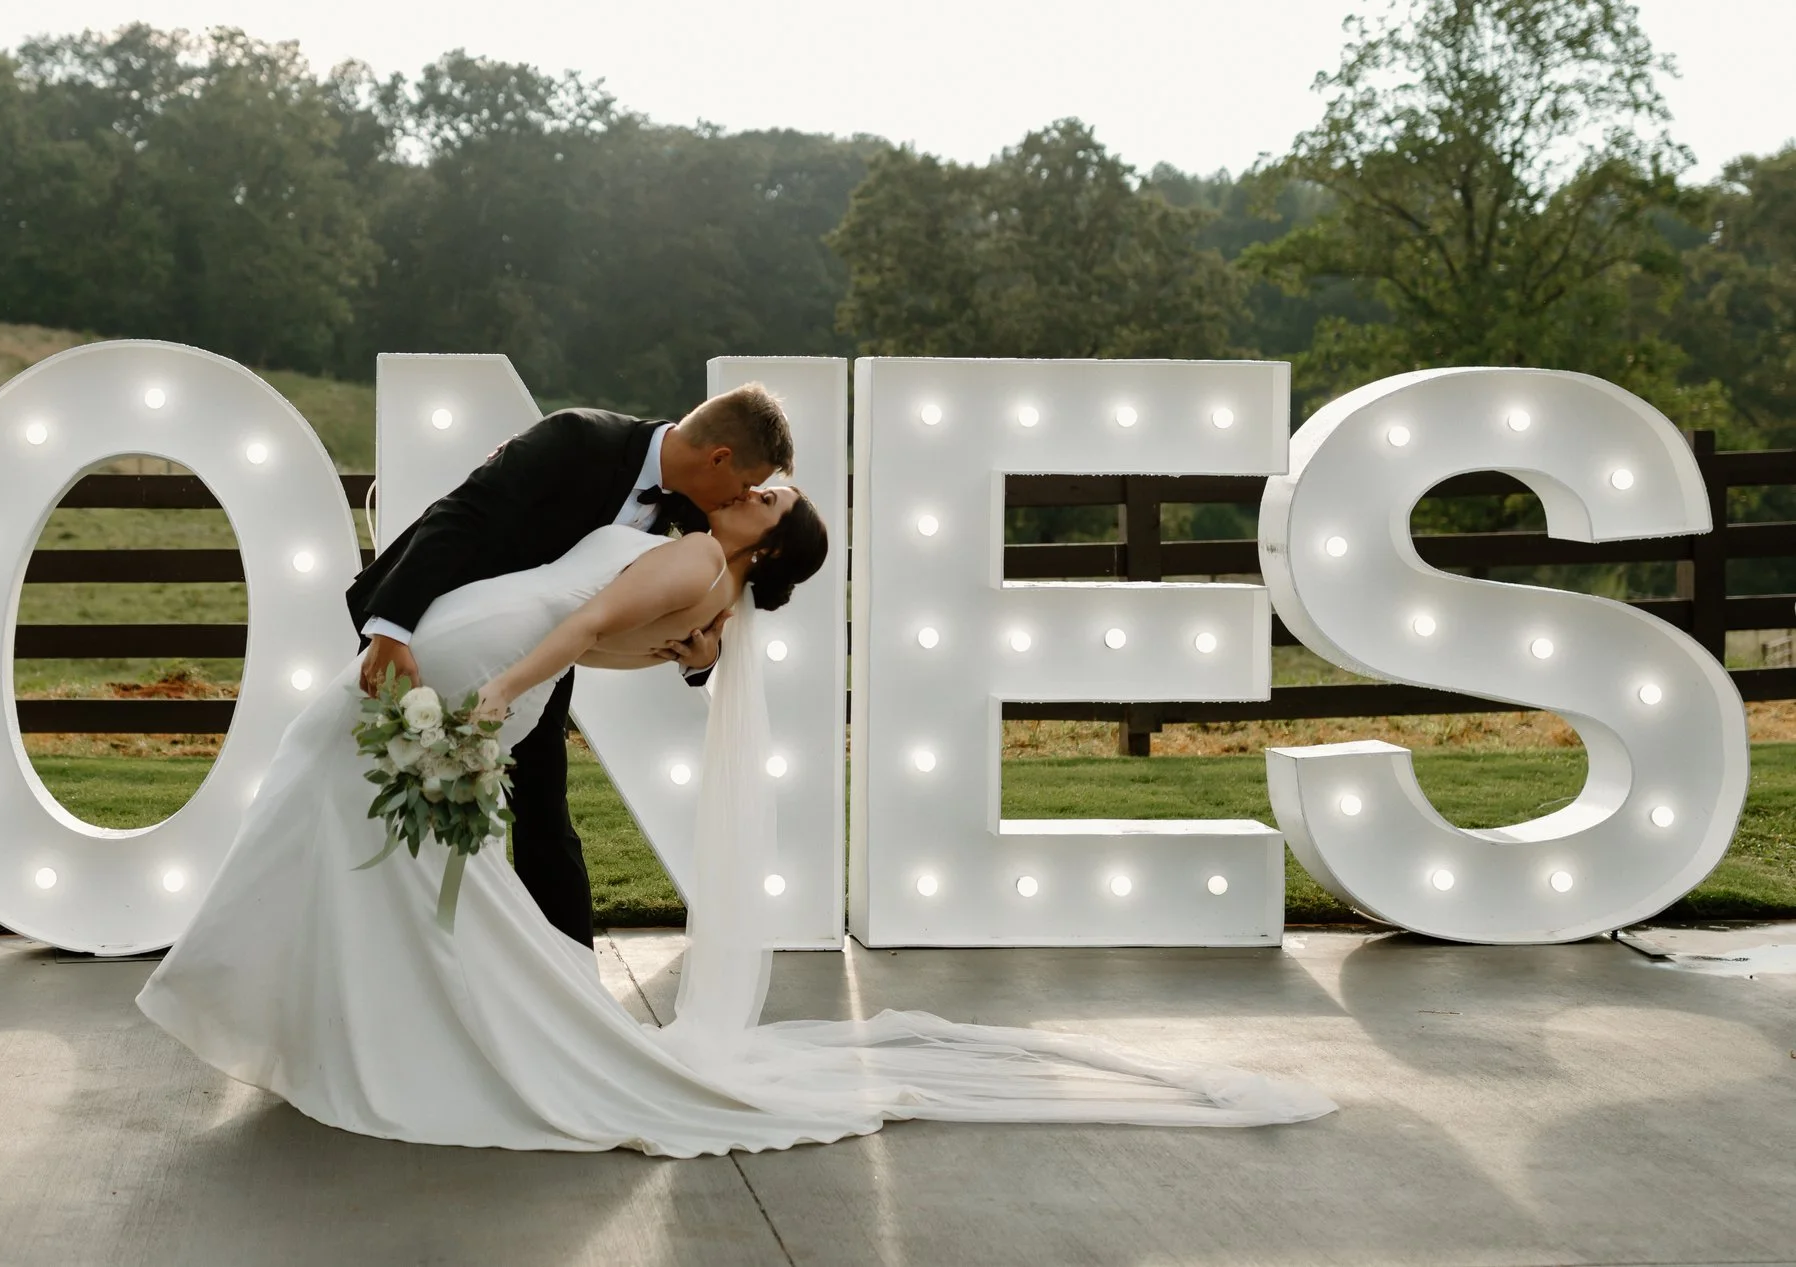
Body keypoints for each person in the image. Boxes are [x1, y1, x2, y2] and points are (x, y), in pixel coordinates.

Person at [135, 484, 1337, 1155]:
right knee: (376, 869)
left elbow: (564, 636)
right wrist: (523, 691)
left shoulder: (692, 561)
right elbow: (600, 650)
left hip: (473, 697)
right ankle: (335, 1026)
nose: (751, 493)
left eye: (769, 497)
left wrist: (491, 698)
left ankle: (295, 1016)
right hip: (466, 700)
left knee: (351, 848)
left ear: (763, 539)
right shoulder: (701, 578)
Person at [346, 385, 794, 947]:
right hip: (430, 631)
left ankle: (571, 985)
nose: (744, 497)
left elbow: (711, 590)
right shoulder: (576, 438)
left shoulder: (693, 507)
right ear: (720, 458)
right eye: (748, 485)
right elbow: (460, 517)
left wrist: (703, 656)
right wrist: (391, 629)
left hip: (534, 665)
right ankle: (377, 951)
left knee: (543, 816)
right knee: (372, 796)